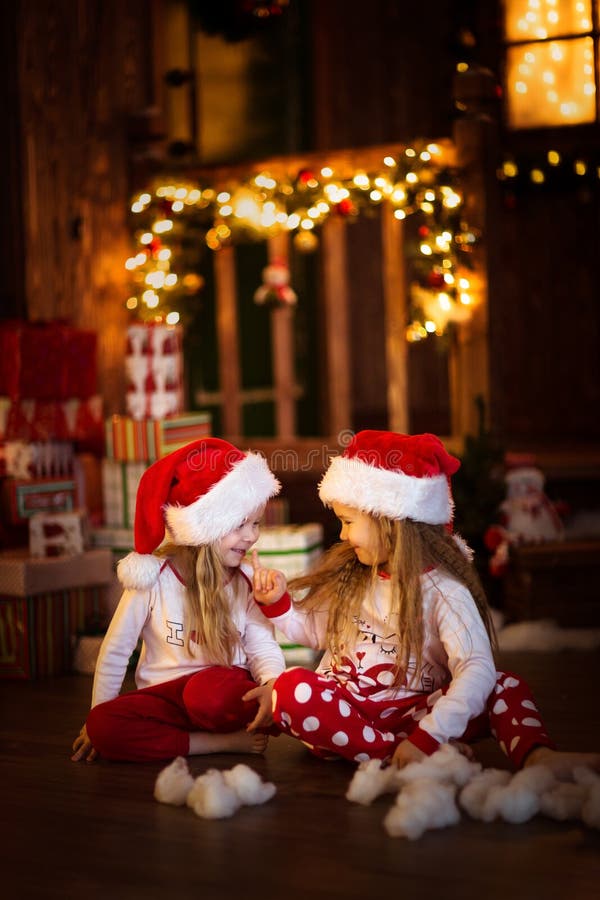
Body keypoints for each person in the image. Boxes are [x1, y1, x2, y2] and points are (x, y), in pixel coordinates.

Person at [252, 430, 600, 777]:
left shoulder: (445, 593)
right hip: (347, 715)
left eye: (348, 522)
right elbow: (314, 631)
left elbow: (475, 670)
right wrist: (279, 603)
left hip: (418, 717)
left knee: (500, 685)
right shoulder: (356, 576)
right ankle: (392, 756)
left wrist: (428, 735)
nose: (342, 535)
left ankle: (536, 757)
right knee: (290, 688)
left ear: (390, 521)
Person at [72, 437, 286, 763]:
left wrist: (272, 685)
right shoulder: (152, 580)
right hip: (163, 700)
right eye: (240, 524)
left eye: (255, 523)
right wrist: (97, 714)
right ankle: (213, 744)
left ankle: (217, 732)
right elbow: (116, 650)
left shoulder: (243, 584)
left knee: (206, 694)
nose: (252, 535)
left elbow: (263, 647)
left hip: (218, 695)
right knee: (102, 724)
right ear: (202, 529)